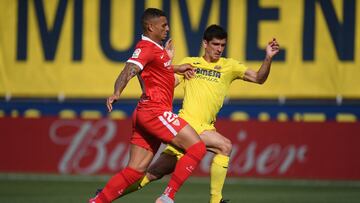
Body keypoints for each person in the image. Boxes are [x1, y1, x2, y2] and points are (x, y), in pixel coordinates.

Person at [97, 25, 280, 202]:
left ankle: (106, 195)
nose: (219, 49)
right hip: (185, 125)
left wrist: (268, 58)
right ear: (205, 44)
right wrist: (166, 64)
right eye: (215, 44)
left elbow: (258, 78)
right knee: (224, 146)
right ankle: (211, 200)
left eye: (223, 45)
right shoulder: (190, 63)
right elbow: (165, 85)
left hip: (206, 128)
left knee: (153, 174)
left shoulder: (229, 66)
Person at [89, 8, 207, 203]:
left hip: (145, 112)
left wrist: (174, 66)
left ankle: (97, 201)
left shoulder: (156, 49)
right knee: (197, 148)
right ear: (150, 27)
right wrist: (117, 91)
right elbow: (130, 69)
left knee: (135, 172)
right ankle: (167, 197)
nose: (168, 29)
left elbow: (157, 70)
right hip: (155, 111)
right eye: (164, 25)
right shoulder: (146, 47)